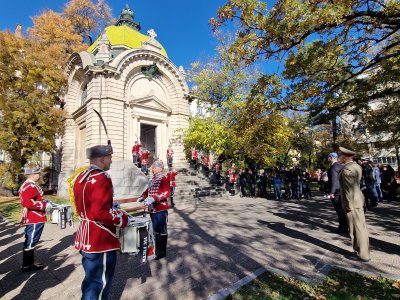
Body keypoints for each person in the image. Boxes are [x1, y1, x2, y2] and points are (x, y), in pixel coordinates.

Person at [73, 144, 130, 299]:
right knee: (100, 282)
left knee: (90, 281)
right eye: (110, 158)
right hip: (100, 238)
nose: (111, 161)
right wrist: (122, 219)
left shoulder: (80, 177)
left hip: (86, 235)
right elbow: (100, 214)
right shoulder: (102, 178)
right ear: (103, 159)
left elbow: (86, 207)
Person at [338, 146, 370, 262]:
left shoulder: (347, 169)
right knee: (361, 227)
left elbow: (348, 189)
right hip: (358, 200)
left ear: (345, 156)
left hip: (352, 202)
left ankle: (362, 254)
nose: (339, 157)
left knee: (356, 230)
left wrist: (349, 206)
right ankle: (364, 252)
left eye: (341, 155)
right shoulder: (356, 166)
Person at [19, 166, 51, 272]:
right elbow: (27, 202)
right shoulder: (30, 186)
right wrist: (44, 204)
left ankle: (29, 263)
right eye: (38, 173)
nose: (39, 175)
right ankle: (27, 265)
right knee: (31, 240)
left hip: (34, 217)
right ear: (32, 175)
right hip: (35, 217)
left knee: (31, 240)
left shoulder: (28, 185)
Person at [138, 160, 171, 260]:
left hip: (161, 209)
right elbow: (148, 191)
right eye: (152, 167)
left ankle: (162, 252)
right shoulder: (152, 180)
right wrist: (142, 196)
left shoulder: (164, 179)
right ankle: (156, 250)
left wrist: (155, 198)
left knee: (161, 230)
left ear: (161, 168)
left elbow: (167, 192)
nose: (152, 169)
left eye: (155, 167)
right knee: (154, 230)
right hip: (152, 209)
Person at [327, 152, 348, 233]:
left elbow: (334, 181)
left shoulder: (333, 167)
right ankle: (345, 225)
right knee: (342, 209)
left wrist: (332, 192)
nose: (327, 158)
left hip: (336, 192)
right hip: (341, 190)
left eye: (328, 157)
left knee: (339, 210)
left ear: (331, 157)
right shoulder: (340, 166)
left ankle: (342, 227)